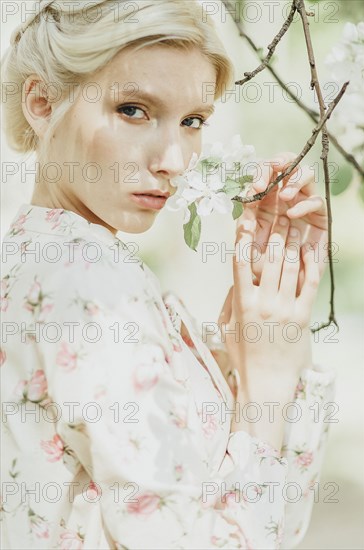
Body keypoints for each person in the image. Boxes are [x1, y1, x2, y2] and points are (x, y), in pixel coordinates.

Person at [0, 1, 336, 548]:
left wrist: (256, 342)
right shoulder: (91, 283)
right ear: (42, 103)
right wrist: (267, 384)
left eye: (192, 121)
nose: (175, 160)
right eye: (133, 110)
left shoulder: (32, 263)